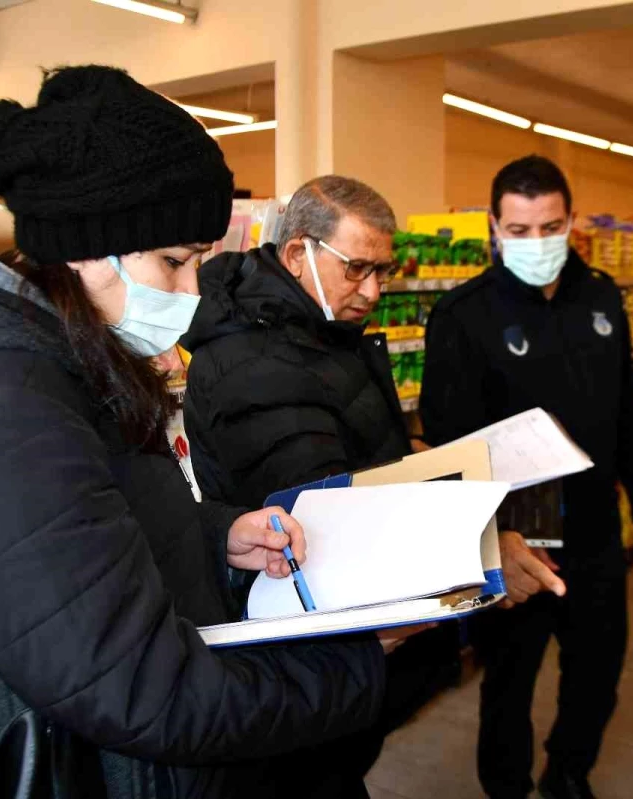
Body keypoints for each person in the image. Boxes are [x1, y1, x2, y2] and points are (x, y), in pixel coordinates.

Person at [0, 66, 386, 799]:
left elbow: (77, 539)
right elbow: (142, 691)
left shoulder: (56, 366)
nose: (192, 292)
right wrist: (360, 662)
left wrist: (216, 538)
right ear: (84, 247)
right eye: (174, 261)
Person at [181, 175, 567, 795]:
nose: (373, 291)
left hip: (340, 655)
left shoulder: (321, 333)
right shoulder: (256, 363)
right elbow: (328, 520)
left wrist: (421, 458)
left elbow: (358, 453)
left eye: (383, 272)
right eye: (356, 269)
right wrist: (483, 545)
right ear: (296, 255)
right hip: (303, 646)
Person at [420, 154, 633, 799]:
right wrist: (480, 542)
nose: (537, 244)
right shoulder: (463, 315)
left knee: (598, 672)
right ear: (495, 230)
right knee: (508, 680)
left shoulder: (603, 297)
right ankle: (506, 787)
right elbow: (449, 449)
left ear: (572, 223)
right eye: (521, 231)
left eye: (550, 227)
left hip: (593, 530)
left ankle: (568, 772)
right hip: (515, 538)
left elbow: (628, 407)